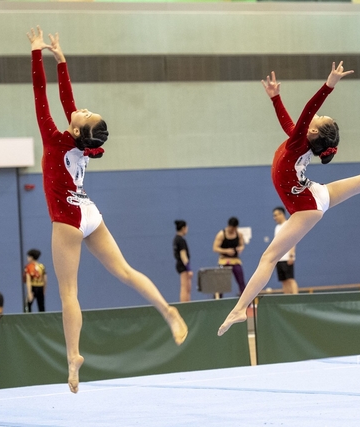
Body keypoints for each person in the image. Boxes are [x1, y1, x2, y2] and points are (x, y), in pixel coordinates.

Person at [218, 65, 360, 336]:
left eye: (320, 118)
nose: (316, 115)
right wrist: (275, 98)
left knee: (268, 258)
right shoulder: (298, 140)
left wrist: (330, 84)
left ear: (314, 131)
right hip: (312, 194)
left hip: (306, 206)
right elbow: (290, 122)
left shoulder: (299, 141)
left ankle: (240, 308)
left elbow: (309, 108)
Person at [27, 26, 187, 393]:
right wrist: (61, 60)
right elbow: (68, 100)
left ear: (77, 130)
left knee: (69, 292)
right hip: (89, 212)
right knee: (125, 271)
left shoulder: (55, 139)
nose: (80, 109)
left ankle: (73, 357)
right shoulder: (84, 145)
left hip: (68, 220)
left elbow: (41, 95)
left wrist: (36, 53)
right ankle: (168, 311)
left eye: (84, 114)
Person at [212, 217, 246, 295]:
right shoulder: (221, 234)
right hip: (224, 260)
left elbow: (242, 245)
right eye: (231, 229)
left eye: (234, 229)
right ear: (228, 226)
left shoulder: (239, 234)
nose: (233, 230)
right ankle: (218, 299)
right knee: (221, 283)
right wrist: (226, 251)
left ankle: (244, 298)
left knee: (241, 281)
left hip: (235, 260)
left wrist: (240, 248)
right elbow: (215, 248)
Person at [273, 207, 298, 294]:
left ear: (282, 214)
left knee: (290, 279)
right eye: (274, 216)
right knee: (283, 281)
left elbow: (293, 240)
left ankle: (296, 299)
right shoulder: (277, 227)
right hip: (279, 259)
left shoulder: (288, 224)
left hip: (287, 258)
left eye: (276, 215)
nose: (274, 217)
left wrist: (291, 255)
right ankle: (287, 299)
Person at [173, 220, 192, 302]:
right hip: (183, 266)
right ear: (183, 228)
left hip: (180, 265)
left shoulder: (176, 239)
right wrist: (188, 269)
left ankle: (187, 303)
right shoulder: (181, 240)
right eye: (186, 228)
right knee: (185, 287)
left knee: (187, 287)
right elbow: (183, 255)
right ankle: (184, 305)